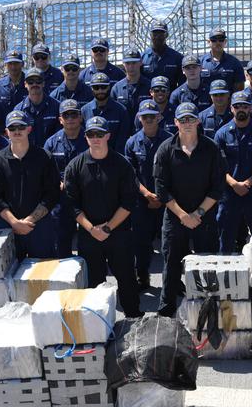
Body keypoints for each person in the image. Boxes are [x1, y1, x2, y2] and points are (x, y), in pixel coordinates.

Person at [63, 116, 142, 317]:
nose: (95, 138)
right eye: (91, 134)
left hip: (119, 233)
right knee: (93, 286)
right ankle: (97, 327)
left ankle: (133, 319)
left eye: (100, 134)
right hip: (89, 235)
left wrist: (107, 228)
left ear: (108, 135)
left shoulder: (122, 165)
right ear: (85, 136)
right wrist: (91, 229)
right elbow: (72, 205)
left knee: (127, 280)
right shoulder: (75, 166)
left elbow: (129, 202)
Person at [153, 103, 225, 317]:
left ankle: (208, 312)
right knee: (171, 267)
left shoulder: (211, 148)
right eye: (182, 120)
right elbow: (161, 189)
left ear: (198, 121)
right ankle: (165, 314)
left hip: (205, 217)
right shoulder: (165, 149)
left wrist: (198, 214)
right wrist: (184, 215)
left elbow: (218, 187)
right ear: (175, 122)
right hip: (176, 218)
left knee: (207, 266)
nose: (186, 124)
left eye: (190, 119)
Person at [0, 110, 60, 260]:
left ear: (29, 128)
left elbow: (52, 194)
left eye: (21, 127)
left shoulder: (44, 157)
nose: (17, 131)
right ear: (6, 132)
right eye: (12, 128)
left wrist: (29, 221)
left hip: (40, 228)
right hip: (8, 228)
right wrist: (14, 222)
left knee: (43, 274)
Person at [214, 92, 252, 252]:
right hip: (229, 193)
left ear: (251, 108)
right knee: (225, 237)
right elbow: (218, 166)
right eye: (237, 106)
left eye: (245, 106)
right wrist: (234, 184)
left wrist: (248, 182)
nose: (241, 109)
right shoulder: (222, 133)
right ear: (231, 108)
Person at [125, 100, 172, 288]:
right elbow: (131, 175)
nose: (149, 120)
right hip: (141, 200)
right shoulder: (132, 142)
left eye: (153, 116)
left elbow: (175, 172)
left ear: (159, 117)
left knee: (170, 244)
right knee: (141, 243)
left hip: (166, 200)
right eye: (145, 117)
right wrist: (147, 195)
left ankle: (173, 280)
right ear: (139, 118)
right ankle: (142, 277)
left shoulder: (170, 140)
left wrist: (161, 197)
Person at [43, 100, 88, 257]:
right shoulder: (51, 143)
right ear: (60, 119)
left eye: (73, 114)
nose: (70, 118)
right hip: (61, 198)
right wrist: (58, 183)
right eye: (66, 115)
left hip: (87, 197)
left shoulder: (91, 139)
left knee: (89, 243)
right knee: (61, 241)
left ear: (80, 117)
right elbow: (45, 172)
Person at [81, 73, 130, 154]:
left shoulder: (121, 110)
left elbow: (122, 139)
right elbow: (83, 139)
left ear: (109, 87)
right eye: (96, 87)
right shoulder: (84, 111)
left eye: (103, 87)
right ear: (91, 89)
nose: (100, 91)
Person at [13, 67, 61, 147]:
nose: (34, 84)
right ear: (25, 84)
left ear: (43, 83)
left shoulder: (56, 106)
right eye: (30, 82)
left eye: (38, 81)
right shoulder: (19, 110)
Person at [112, 47, 152, 125]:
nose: (131, 67)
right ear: (123, 64)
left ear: (140, 62)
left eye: (134, 63)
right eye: (128, 63)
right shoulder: (117, 88)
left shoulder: (149, 86)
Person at [141, 20, 184, 89]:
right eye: (155, 34)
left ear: (166, 35)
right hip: (148, 97)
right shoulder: (142, 58)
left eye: (161, 34)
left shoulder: (178, 58)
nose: (157, 37)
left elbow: (182, 83)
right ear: (150, 35)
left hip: (170, 97)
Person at [201, 28, 245, 92]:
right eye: (214, 40)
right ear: (208, 42)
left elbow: (239, 87)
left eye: (221, 39)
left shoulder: (234, 63)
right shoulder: (201, 62)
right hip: (206, 101)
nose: (218, 42)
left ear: (225, 41)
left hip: (228, 101)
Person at [0, 50, 28, 114]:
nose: (13, 67)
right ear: (5, 65)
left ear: (22, 64)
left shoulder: (30, 83)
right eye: (10, 63)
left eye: (16, 63)